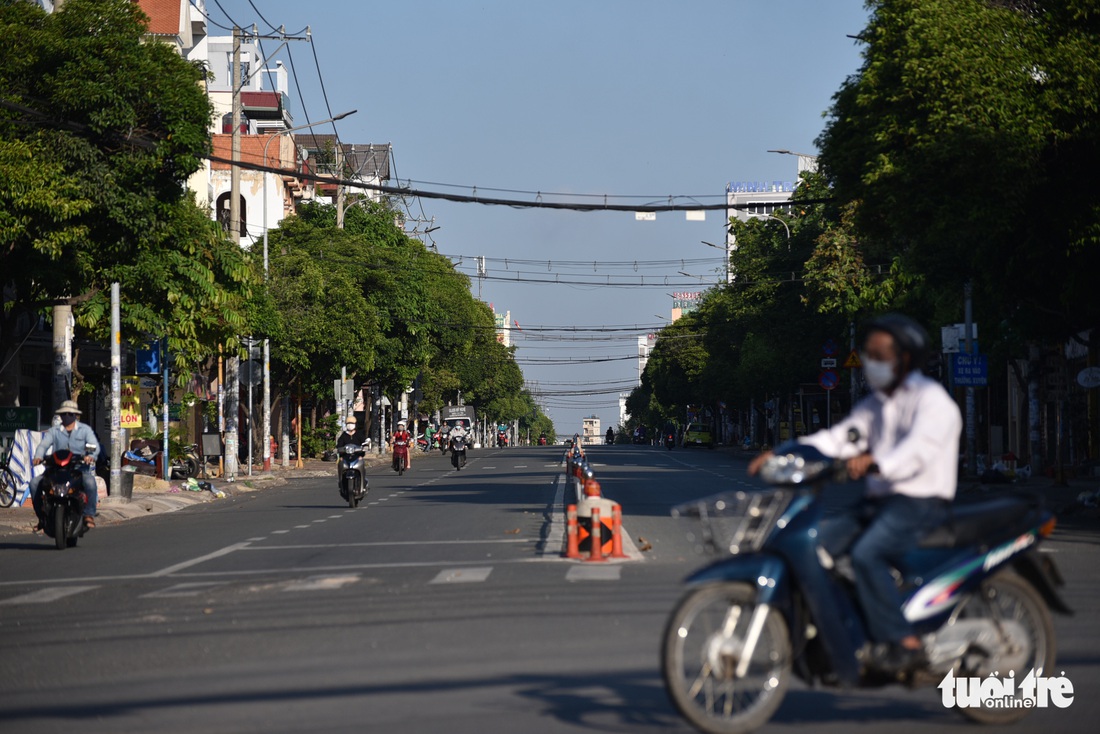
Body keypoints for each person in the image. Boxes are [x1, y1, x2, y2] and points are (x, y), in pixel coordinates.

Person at [749, 314, 962, 674]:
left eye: (879, 355)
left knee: (866, 555)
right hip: (878, 503)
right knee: (816, 547)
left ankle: (904, 641)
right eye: (868, 354)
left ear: (905, 358)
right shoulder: (874, 405)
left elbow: (915, 453)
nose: (870, 362)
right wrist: (785, 451)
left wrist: (874, 461)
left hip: (920, 503)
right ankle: (854, 631)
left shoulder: (932, 401)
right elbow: (837, 438)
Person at [31, 400, 100, 530]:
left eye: (70, 414)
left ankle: (89, 515)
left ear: (75, 415)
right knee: (34, 483)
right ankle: (42, 518)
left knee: (90, 482)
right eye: (64, 414)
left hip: (78, 469)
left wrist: (90, 456)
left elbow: (93, 446)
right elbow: (43, 445)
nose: (67, 416)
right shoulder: (54, 431)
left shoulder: (85, 430)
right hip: (56, 469)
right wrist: (38, 457)